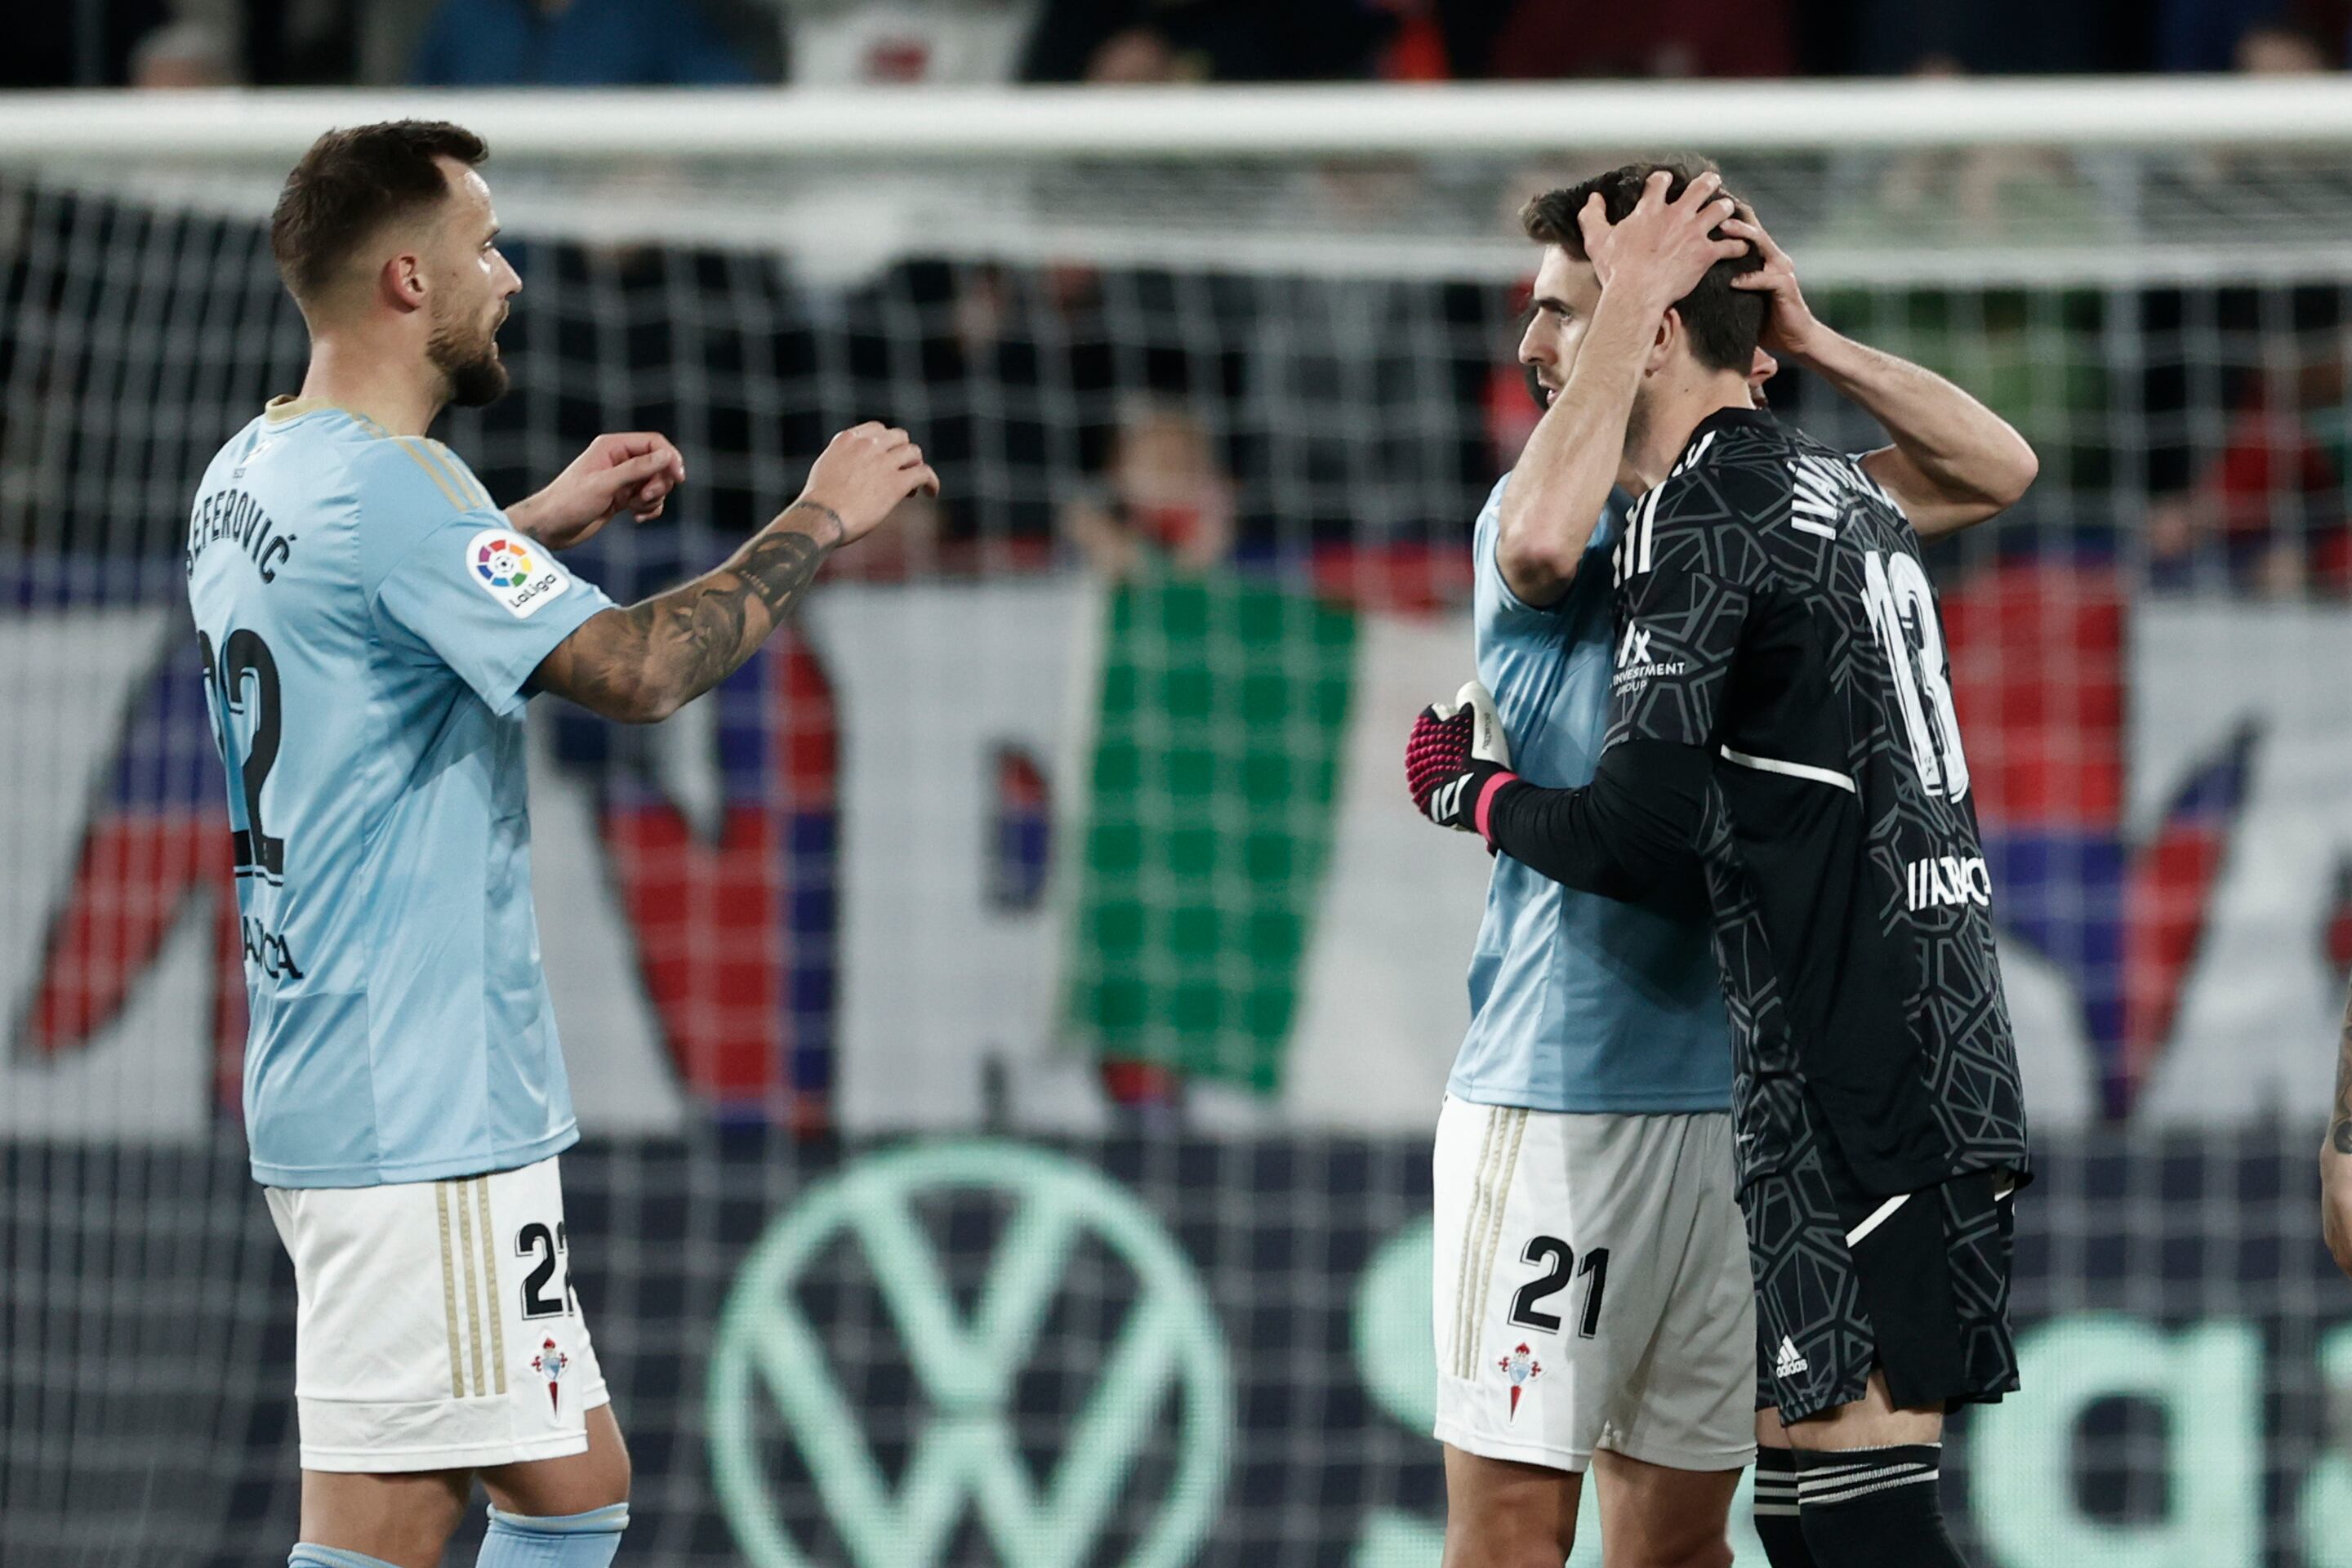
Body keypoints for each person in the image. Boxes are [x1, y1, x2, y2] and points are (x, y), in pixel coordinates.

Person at [185, 120, 934, 1568]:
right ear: (410, 278)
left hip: (349, 1072)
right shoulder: (398, 493)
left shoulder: (253, 475)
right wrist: (815, 519)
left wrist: (530, 530)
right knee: (396, 1529)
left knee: (568, 1487)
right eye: (482, 247)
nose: (509, 277)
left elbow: (357, 617)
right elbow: (640, 672)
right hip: (417, 1100)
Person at [1406, 163, 2036, 1568]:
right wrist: (1638, 312)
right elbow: (1546, 542)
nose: (1538, 342)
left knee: (1685, 1536)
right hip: (1559, 1094)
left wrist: (1799, 340)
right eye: (1551, 309)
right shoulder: (1545, 509)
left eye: (1568, 309)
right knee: (1510, 1535)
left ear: (1651, 321)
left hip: (1750, 1100)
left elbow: (1989, 472)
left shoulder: (1747, 505)